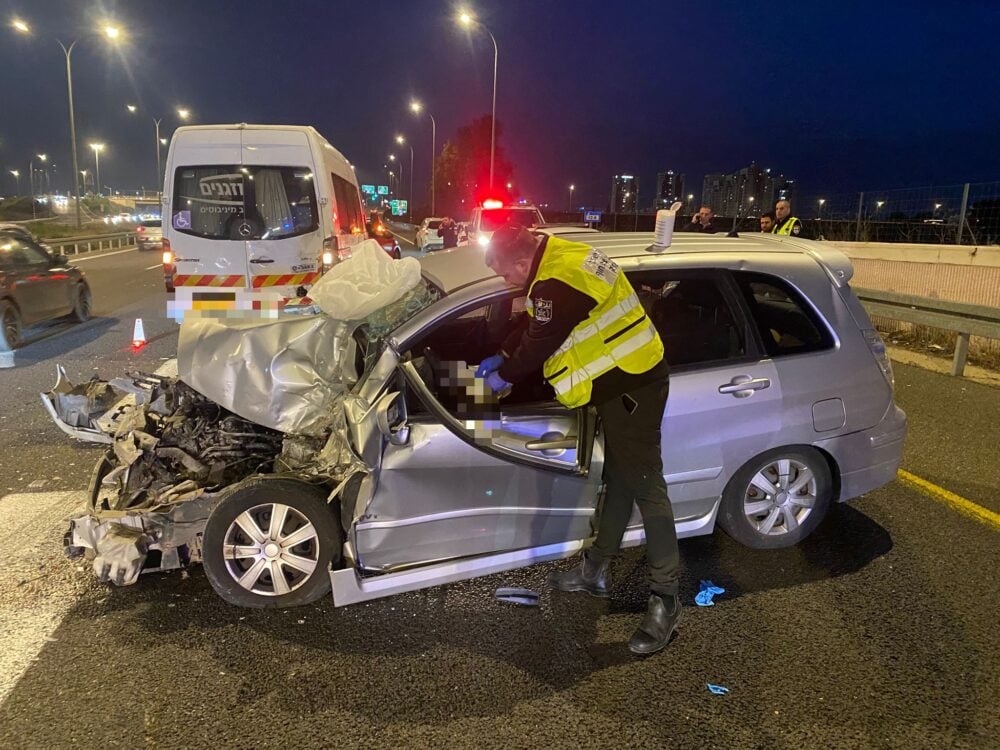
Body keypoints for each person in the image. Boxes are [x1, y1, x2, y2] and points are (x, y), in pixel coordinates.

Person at [476, 224, 681, 655]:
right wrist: (508, 352)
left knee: (647, 487)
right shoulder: (560, 254)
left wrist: (505, 373)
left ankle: (666, 599)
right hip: (621, 383)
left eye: (505, 275)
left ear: (519, 261)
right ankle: (595, 570)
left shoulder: (556, 282)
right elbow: (538, 321)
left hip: (633, 387)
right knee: (620, 481)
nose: (507, 283)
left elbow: (541, 339)